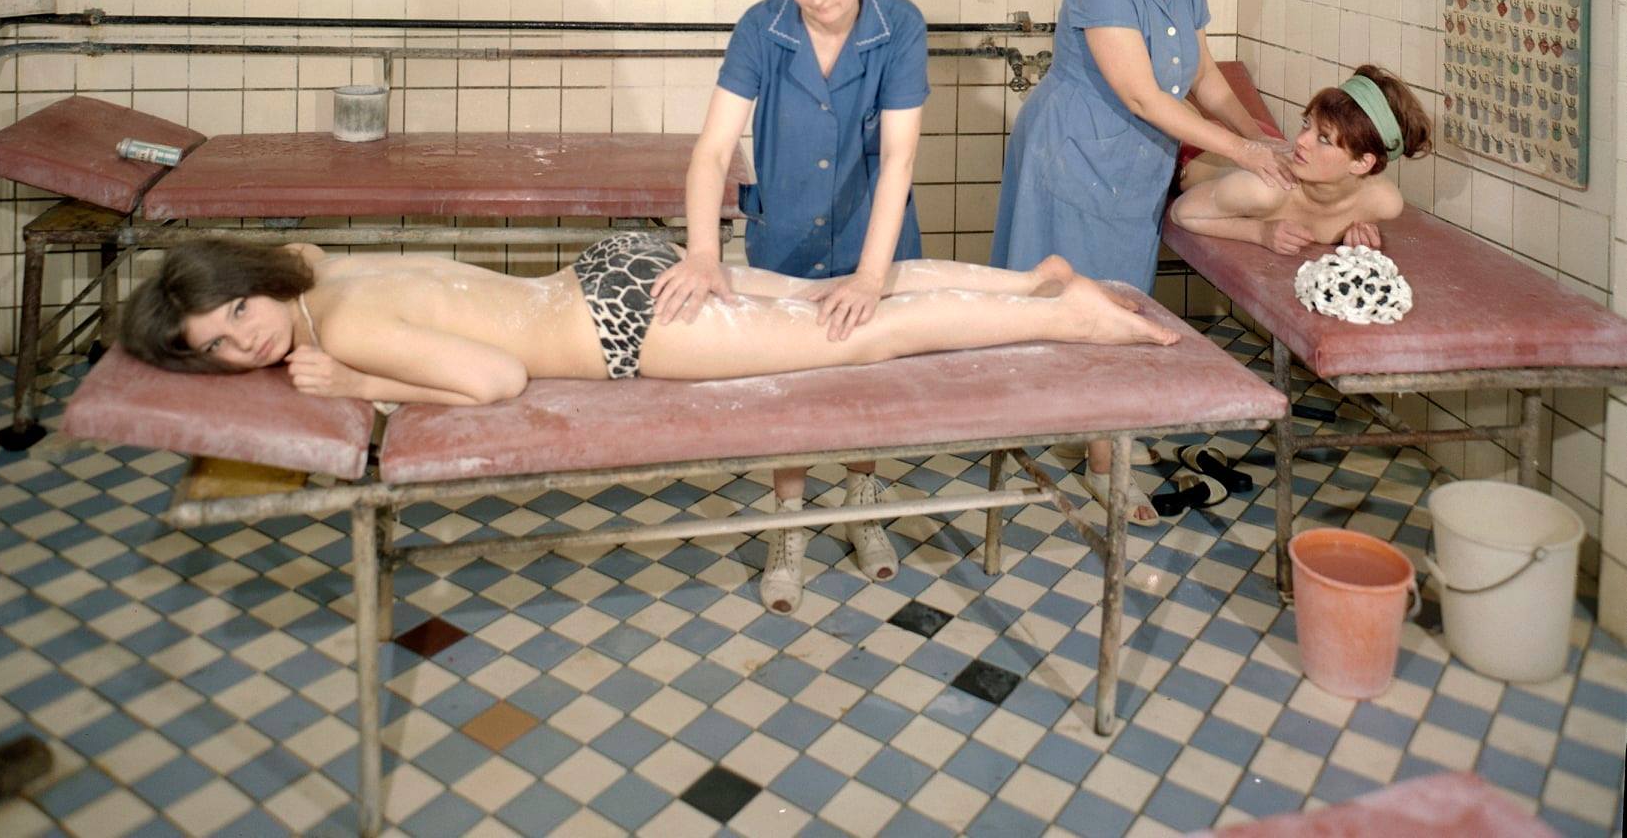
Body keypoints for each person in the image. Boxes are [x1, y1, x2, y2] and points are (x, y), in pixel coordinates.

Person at [120, 235, 1179, 610]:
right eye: (215, 347)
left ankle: (1075, 314)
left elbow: (490, 383)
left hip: (624, 326)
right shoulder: (324, 268)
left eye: (236, 317)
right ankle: (1026, 284)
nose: (241, 346)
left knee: (853, 337)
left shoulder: (343, 316)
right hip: (607, 268)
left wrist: (363, 378)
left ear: (257, 285)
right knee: (824, 295)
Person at [649, 0, 929, 612]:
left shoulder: (899, 25)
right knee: (793, 383)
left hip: (873, 230)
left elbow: (899, 156)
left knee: (865, 375)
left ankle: (861, 502)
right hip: (782, 235)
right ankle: (790, 524)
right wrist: (703, 255)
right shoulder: (761, 28)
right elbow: (713, 150)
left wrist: (871, 276)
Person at [990, 0, 1294, 526]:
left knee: (1119, 306)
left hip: (1134, 162)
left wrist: (1258, 133)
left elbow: (1203, 76)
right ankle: (1089, 455)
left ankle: (1105, 439)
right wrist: (1241, 156)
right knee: (1074, 300)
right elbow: (1142, 96)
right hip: (1071, 152)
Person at [1170, 65, 1432, 252]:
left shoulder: (1383, 202)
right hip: (1190, 151)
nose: (1301, 140)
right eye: (1307, 123)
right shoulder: (1265, 190)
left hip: (1266, 141)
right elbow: (1182, 213)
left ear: (1363, 163)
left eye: (1323, 138)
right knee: (1161, 100)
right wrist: (1260, 233)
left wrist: (1359, 233)